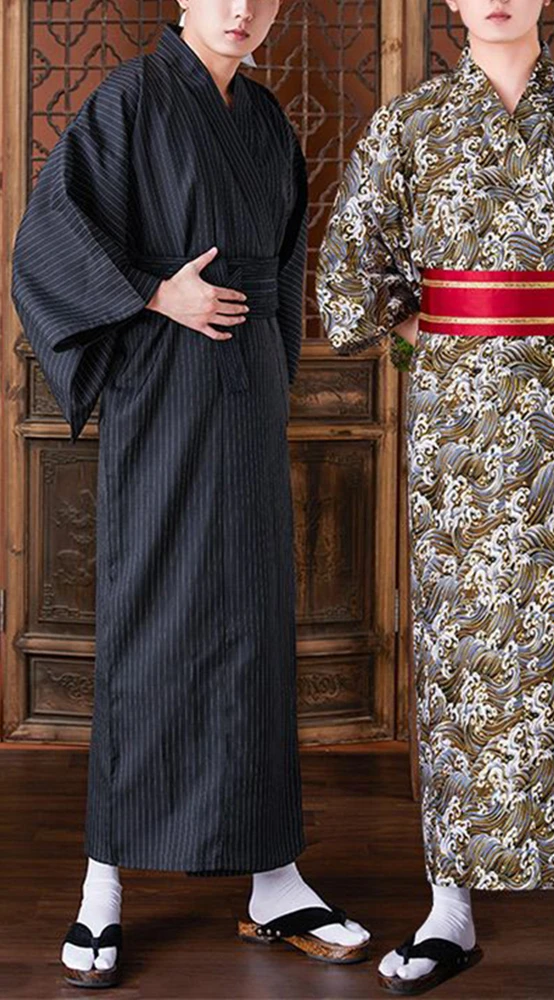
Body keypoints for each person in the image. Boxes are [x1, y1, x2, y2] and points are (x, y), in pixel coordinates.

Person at [317, 0, 554, 995]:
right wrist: (425, 342)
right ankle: (449, 906)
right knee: (457, 652)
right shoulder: (411, 122)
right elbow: (348, 274)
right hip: (455, 433)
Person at [12, 0, 370, 987]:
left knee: (253, 623)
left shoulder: (266, 120)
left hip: (245, 390)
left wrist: (270, 372)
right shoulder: (131, 98)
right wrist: (153, 290)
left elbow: (285, 260)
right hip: (162, 386)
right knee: (152, 618)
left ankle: (274, 875)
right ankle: (102, 886)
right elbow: (46, 241)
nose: (241, 9)